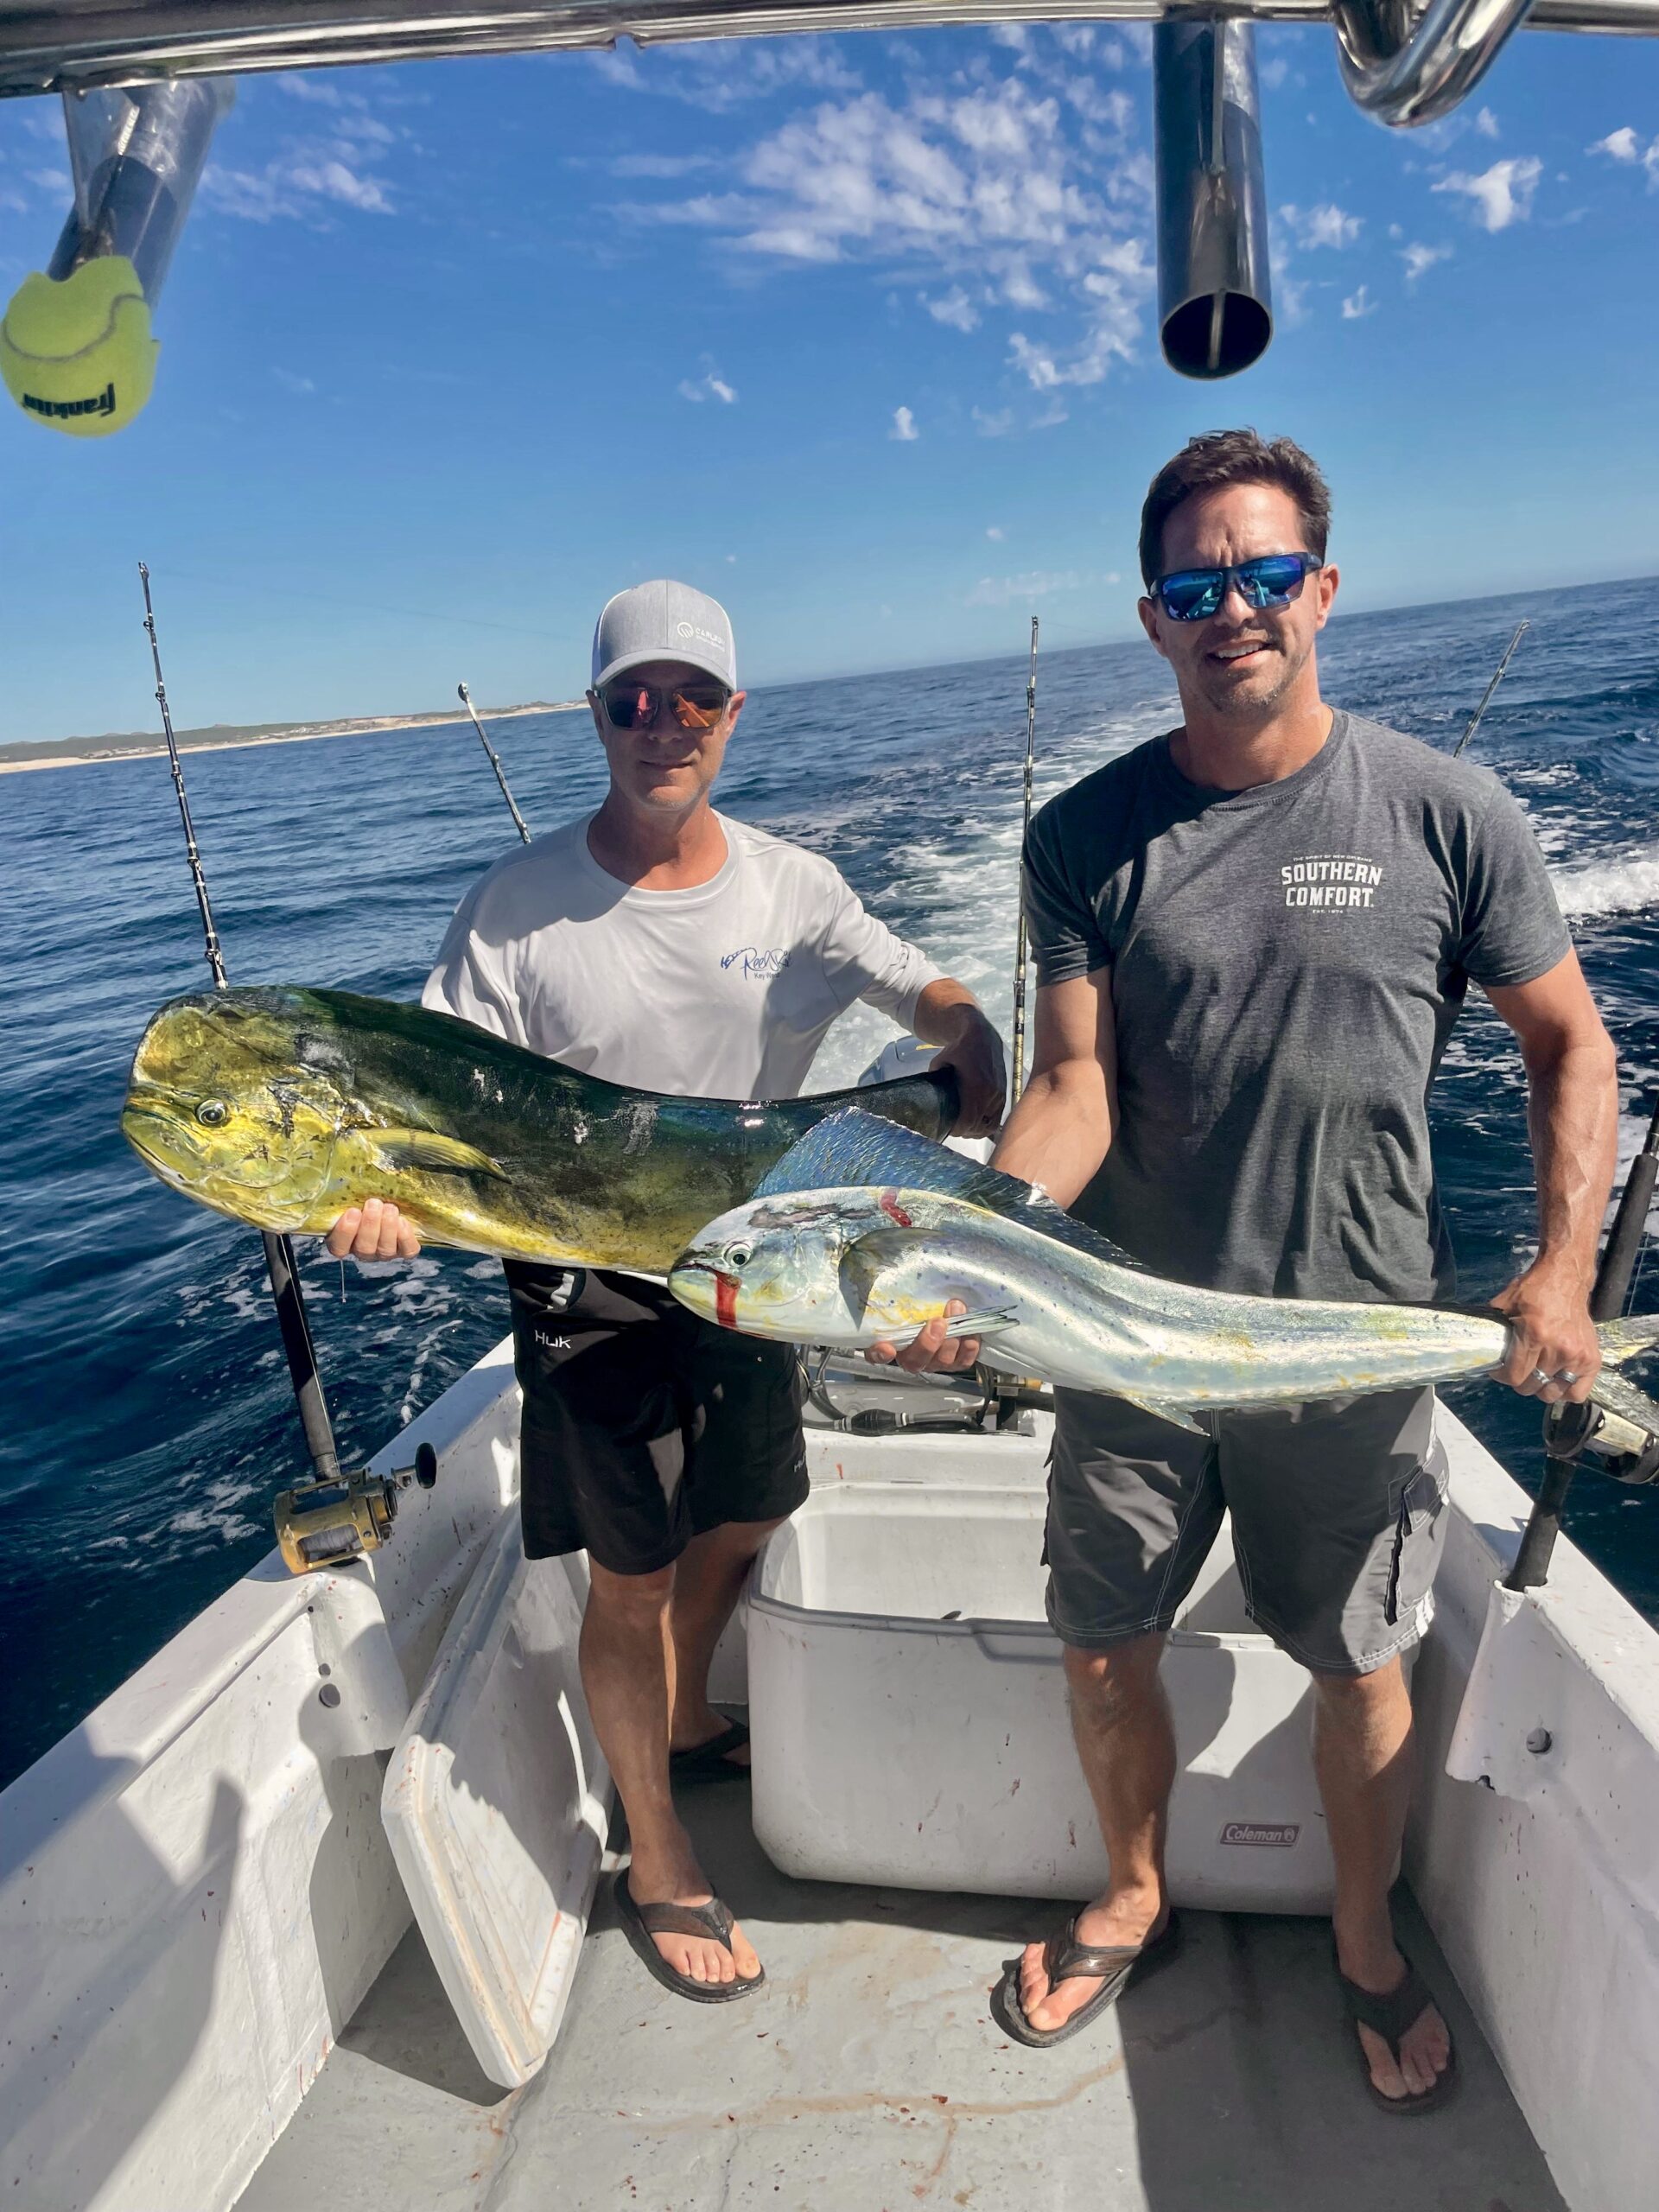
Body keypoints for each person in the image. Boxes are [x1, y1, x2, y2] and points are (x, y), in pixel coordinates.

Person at [880, 432, 1617, 2110]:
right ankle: (1132, 1886)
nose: (1238, 610)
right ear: (1152, 619)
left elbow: (1572, 1042)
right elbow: (1069, 1085)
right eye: (1199, 585)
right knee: (1098, 1637)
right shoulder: (1083, 837)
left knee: (1359, 1660)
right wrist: (969, 1256)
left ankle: (1363, 1933)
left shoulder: (1448, 811)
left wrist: (1561, 1267)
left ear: (1324, 591)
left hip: (1344, 1351)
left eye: (1269, 575)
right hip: (1132, 1339)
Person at [327, 578, 1006, 2003]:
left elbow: (923, 994)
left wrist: (967, 1036)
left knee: (756, 1503)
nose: (662, 725)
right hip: (591, 1286)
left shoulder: (795, 889)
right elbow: (416, 1099)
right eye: (632, 701)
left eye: (690, 697)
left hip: (751, 1274)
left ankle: (690, 1703)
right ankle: (655, 1850)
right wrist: (376, 1200)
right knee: (625, 1573)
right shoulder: (511, 912)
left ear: (731, 713)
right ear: (597, 718)